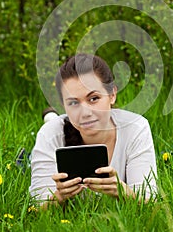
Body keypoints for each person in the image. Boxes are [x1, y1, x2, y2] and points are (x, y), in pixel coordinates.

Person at [29, 53, 157, 206]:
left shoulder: (136, 128)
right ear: (63, 106)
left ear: (112, 95)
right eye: (73, 103)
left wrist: (123, 191)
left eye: (93, 98)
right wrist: (58, 198)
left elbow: (150, 204)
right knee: (24, 162)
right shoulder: (49, 134)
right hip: (53, 132)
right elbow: (36, 209)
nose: (86, 113)